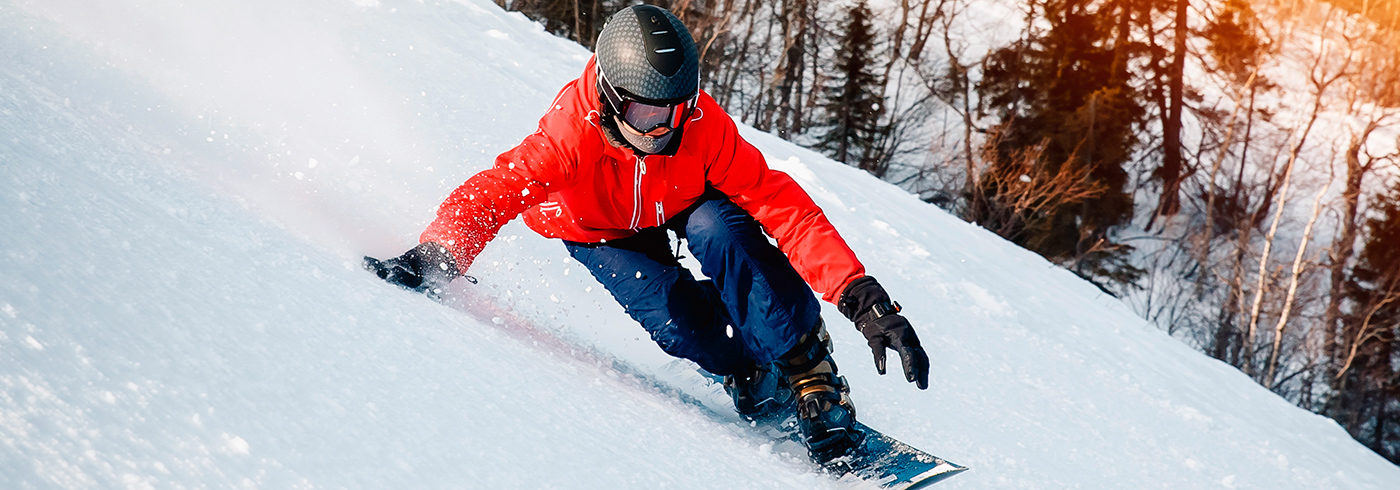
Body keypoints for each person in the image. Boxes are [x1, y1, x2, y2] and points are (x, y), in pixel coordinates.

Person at [364, 4, 929, 462]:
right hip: (601, 228)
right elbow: (499, 188)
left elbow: (784, 206)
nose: (663, 127)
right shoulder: (570, 135)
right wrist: (440, 252)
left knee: (723, 231)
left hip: (682, 200)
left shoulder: (698, 128)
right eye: (645, 114)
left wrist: (864, 301)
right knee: (680, 325)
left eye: (675, 110)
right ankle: (751, 368)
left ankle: (808, 371)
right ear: (611, 99)